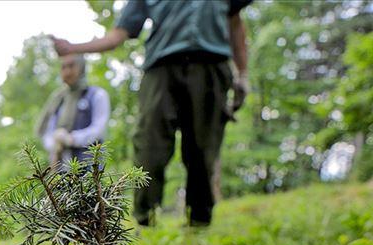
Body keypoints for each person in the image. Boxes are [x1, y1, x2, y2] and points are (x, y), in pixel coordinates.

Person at [53, 0, 251, 226]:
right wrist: (73, 48)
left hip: (211, 65)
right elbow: (118, 34)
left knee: (204, 149)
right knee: (149, 145)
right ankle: (145, 222)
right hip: (160, 69)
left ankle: (199, 224)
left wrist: (243, 74)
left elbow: (235, 22)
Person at [37, 54, 110, 171]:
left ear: (81, 67)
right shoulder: (58, 100)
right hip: (61, 170)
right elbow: (47, 133)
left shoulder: (97, 95)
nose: (67, 72)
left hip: (90, 169)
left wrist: (71, 139)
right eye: (63, 67)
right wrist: (55, 142)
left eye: (71, 66)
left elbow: (98, 130)